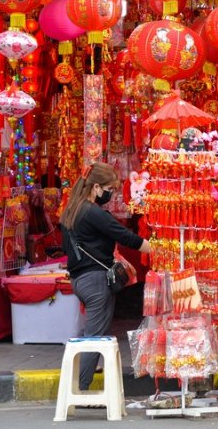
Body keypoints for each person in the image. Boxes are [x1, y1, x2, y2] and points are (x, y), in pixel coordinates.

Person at [61, 162, 151, 391]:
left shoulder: (72, 209)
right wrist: (156, 248)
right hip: (95, 281)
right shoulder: (93, 212)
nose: (111, 194)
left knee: (92, 333)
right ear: (96, 187)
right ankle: (80, 389)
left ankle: (78, 385)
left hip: (80, 280)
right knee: (95, 337)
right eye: (110, 188)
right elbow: (124, 236)